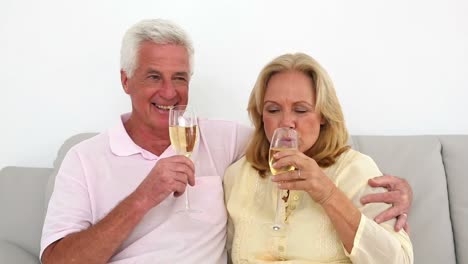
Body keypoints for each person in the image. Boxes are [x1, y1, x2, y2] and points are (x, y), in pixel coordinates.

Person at [40, 19, 412, 264]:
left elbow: (301, 143)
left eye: (180, 78)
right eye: (153, 76)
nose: (169, 93)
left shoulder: (223, 141)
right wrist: (143, 197)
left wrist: (401, 187)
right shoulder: (84, 159)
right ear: (126, 81)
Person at [223, 53, 413, 263]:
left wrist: (329, 195)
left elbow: (399, 260)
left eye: (301, 110)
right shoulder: (237, 176)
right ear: (261, 115)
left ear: (323, 114)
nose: (286, 122)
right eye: (273, 109)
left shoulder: (356, 170)